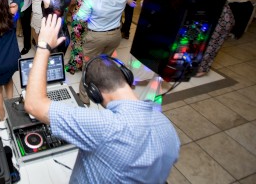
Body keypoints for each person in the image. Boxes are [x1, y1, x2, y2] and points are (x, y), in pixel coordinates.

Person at [24, 14, 180, 184]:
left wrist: (43, 47)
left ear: (94, 93)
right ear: (126, 77)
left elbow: (34, 104)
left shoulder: (104, 126)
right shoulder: (167, 127)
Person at [75, 0, 137, 104]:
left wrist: (76, 14)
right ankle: (103, 90)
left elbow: (82, 17)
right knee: (106, 63)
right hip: (115, 36)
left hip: (96, 37)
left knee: (88, 65)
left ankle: (84, 96)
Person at [66, 0, 100, 74]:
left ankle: (86, 65)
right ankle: (74, 65)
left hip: (92, 21)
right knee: (76, 43)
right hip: (79, 21)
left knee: (88, 44)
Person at [195, 3, 235, 77]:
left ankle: (200, 69)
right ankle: (199, 68)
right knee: (209, 46)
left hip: (218, 22)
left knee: (209, 46)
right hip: (220, 20)